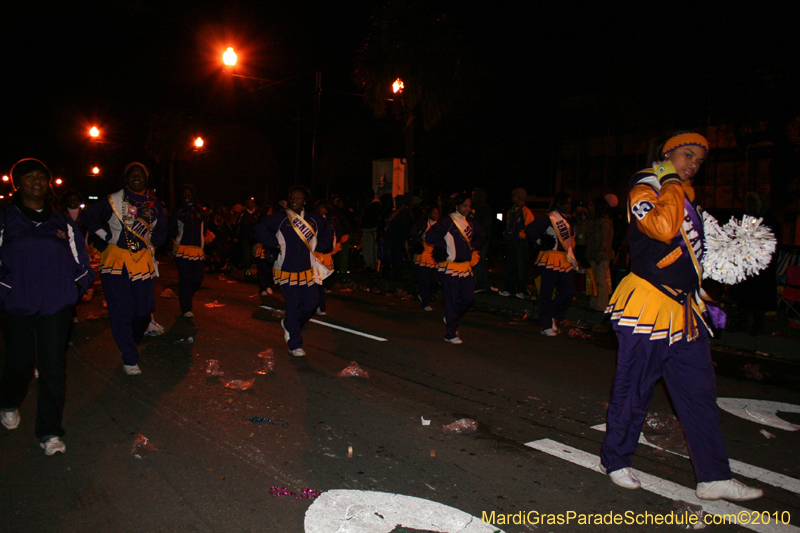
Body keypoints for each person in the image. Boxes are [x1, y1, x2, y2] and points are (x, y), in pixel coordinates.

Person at [600, 132, 762, 501]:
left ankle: (713, 476)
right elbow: (661, 228)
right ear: (666, 154)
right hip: (647, 305)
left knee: (699, 394)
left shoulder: (686, 197)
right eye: (687, 155)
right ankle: (615, 460)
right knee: (634, 387)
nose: (693, 164)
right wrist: (671, 180)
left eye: (699, 160)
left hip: (686, 310)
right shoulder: (648, 184)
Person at [0, 159, 94, 455]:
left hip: (56, 306)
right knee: (21, 364)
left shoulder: (61, 222)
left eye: (42, 176)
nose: (37, 181)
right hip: (17, 305)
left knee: (52, 367)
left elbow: (83, 262)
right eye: (29, 177)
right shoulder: (5, 218)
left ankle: (50, 432)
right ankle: (8, 401)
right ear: (18, 184)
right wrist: (5, 291)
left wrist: (75, 289)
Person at [83, 162, 167, 375]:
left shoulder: (154, 204)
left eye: (141, 175)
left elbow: (160, 232)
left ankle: (132, 339)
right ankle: (129, 357)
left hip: (143, 263)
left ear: (146, 179)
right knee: (120, 310)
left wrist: (154, 243)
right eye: (132, 174)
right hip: (116, 264)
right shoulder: (112, 201)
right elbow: (89, 218)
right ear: (125, 178)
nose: (136, 178)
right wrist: (107, 236)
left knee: (143, 309)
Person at [255, 186, 333, 357]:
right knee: (293, 305)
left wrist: (320, 246)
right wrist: (273, 243)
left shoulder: (314, 219)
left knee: (311, 304)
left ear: (304, 200)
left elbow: (329, 232)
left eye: (298, 198)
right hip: (286, 270)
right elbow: (260, 227)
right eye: (292, 197)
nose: (294, 200)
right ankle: (295, 344)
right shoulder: (280, 218)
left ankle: (290, 324)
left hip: (308, 271)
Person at [425, 193, 485, 344]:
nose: (467, 209)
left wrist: (474, 249)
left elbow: (481, 237)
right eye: (464, 206)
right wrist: (444, 247)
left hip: (465, 266)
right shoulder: (447, 221)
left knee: (469, 297)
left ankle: (451, 317)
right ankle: (450, 333)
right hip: (449, 267)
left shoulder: (471, 222)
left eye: (469, 206)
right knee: (451, 300)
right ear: (457, 206)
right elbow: (429, 236)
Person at [524, 191, 576, 336]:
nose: (569, 206)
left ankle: (553, 316)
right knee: (546, 293)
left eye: (570, 203)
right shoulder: (549, 218)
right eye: (567, 203)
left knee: (569, 291)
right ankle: (545, 324)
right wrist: (540, 242)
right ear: (559, 204)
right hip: (550, 259)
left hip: (565, 259)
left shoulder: (569, 219)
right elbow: (530, 229)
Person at [168, 184, 206, 318]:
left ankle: (185, 296)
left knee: (197, 279)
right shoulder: (177, 210)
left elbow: (204, 229)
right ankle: (186, 308)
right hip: (182, 249)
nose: (186, 197)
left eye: (189, 194)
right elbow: (172, 229)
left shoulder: (200, 211)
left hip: (197, 250)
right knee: (185, 279)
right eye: (184, 194)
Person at [499, 188, 534, 299]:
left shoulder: (525, 211)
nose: (512, 197)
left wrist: (523, 233)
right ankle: (509, 289)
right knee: (510, 266)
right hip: (511, 242)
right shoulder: (512, 210)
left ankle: (522, 290)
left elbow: (531, 226)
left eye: (514, 195)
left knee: (521, 267)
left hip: (520, 243)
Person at [585, 196, 615, 311]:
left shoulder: (604, 222)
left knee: (601, 280)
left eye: (592, 206)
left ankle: (602, 305)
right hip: (594, 254)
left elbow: (605, 241)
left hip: (601, 256)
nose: (590, 208)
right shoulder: (595, 220)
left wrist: (599, 256)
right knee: (593, 279)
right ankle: (594, 303)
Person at [409, 206, 441, 311]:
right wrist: (418, 242)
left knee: (435, 280)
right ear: (429, 214)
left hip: (435, 255)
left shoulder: (441, 226)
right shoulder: (422, 224)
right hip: (423, 254)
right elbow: (413, 232)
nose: (436, 215)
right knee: (425, 280)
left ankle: (422, 295)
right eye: (434, 213)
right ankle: (425, 302)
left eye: (437, 213)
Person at [471, 188, 493, 293]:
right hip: (481, 238)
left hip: (482, 238)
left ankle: (481, 284)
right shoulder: (480, 208)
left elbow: (483, 225)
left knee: (479, 260)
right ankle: (480, 283)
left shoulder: (484, 209)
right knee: (478, 260)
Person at [360, 191, 382, 272]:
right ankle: (371, 265)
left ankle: (371, 265)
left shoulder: (374, 206)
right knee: (371, 248)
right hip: (371, 229)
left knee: (370, 248)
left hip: (371, 229)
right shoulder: (375, 205)